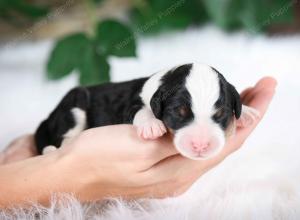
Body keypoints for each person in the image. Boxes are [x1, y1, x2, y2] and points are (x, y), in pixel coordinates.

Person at [0, 77, 277, 208]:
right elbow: (138, 110)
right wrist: (60, 170)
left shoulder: (196, 94)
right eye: (181, 117)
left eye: (219, 116)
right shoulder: (149, 98)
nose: (201, 140)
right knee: (76, 104)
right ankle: (55, 143)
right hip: (79, 110)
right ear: (159, 103)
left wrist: (237, 109)